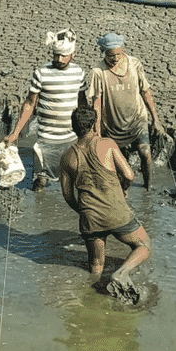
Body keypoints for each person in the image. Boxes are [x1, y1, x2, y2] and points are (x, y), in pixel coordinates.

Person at [60, 106, 151, 301]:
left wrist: (83, 211)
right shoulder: (108, 144)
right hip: (116, 212)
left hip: (90, 218)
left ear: (73, 127)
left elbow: (68, 196)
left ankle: (95, 304)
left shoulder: (67, 157)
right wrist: (124, 189)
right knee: (144, 246)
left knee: (95, 266)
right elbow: (129, 174)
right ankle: (122, 273)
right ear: (94, 125)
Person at [3, 29, 87, 192]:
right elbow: (29, 103)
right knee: (40, 182)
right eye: (56, 55)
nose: (59, 59)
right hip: (46, 138)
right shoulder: (41, 73)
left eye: (64, 56)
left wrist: (87, 133)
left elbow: (83, 103)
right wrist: (15, 133)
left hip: (71, 136)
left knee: (75, 180)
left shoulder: (79, 73)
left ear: (73, 55)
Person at [86, 32, 165, 190]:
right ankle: (121, 191)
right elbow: (96, 101)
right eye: (110, 55)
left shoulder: (134, 64)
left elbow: (145, 91)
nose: (115, 59)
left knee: (146, 153)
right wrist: (97, 128)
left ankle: (147, 188)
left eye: (118, 54)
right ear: (103, 54)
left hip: (137, 119)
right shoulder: (98, 72)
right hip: (112, 124)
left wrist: (155, 119)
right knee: (117, 163)